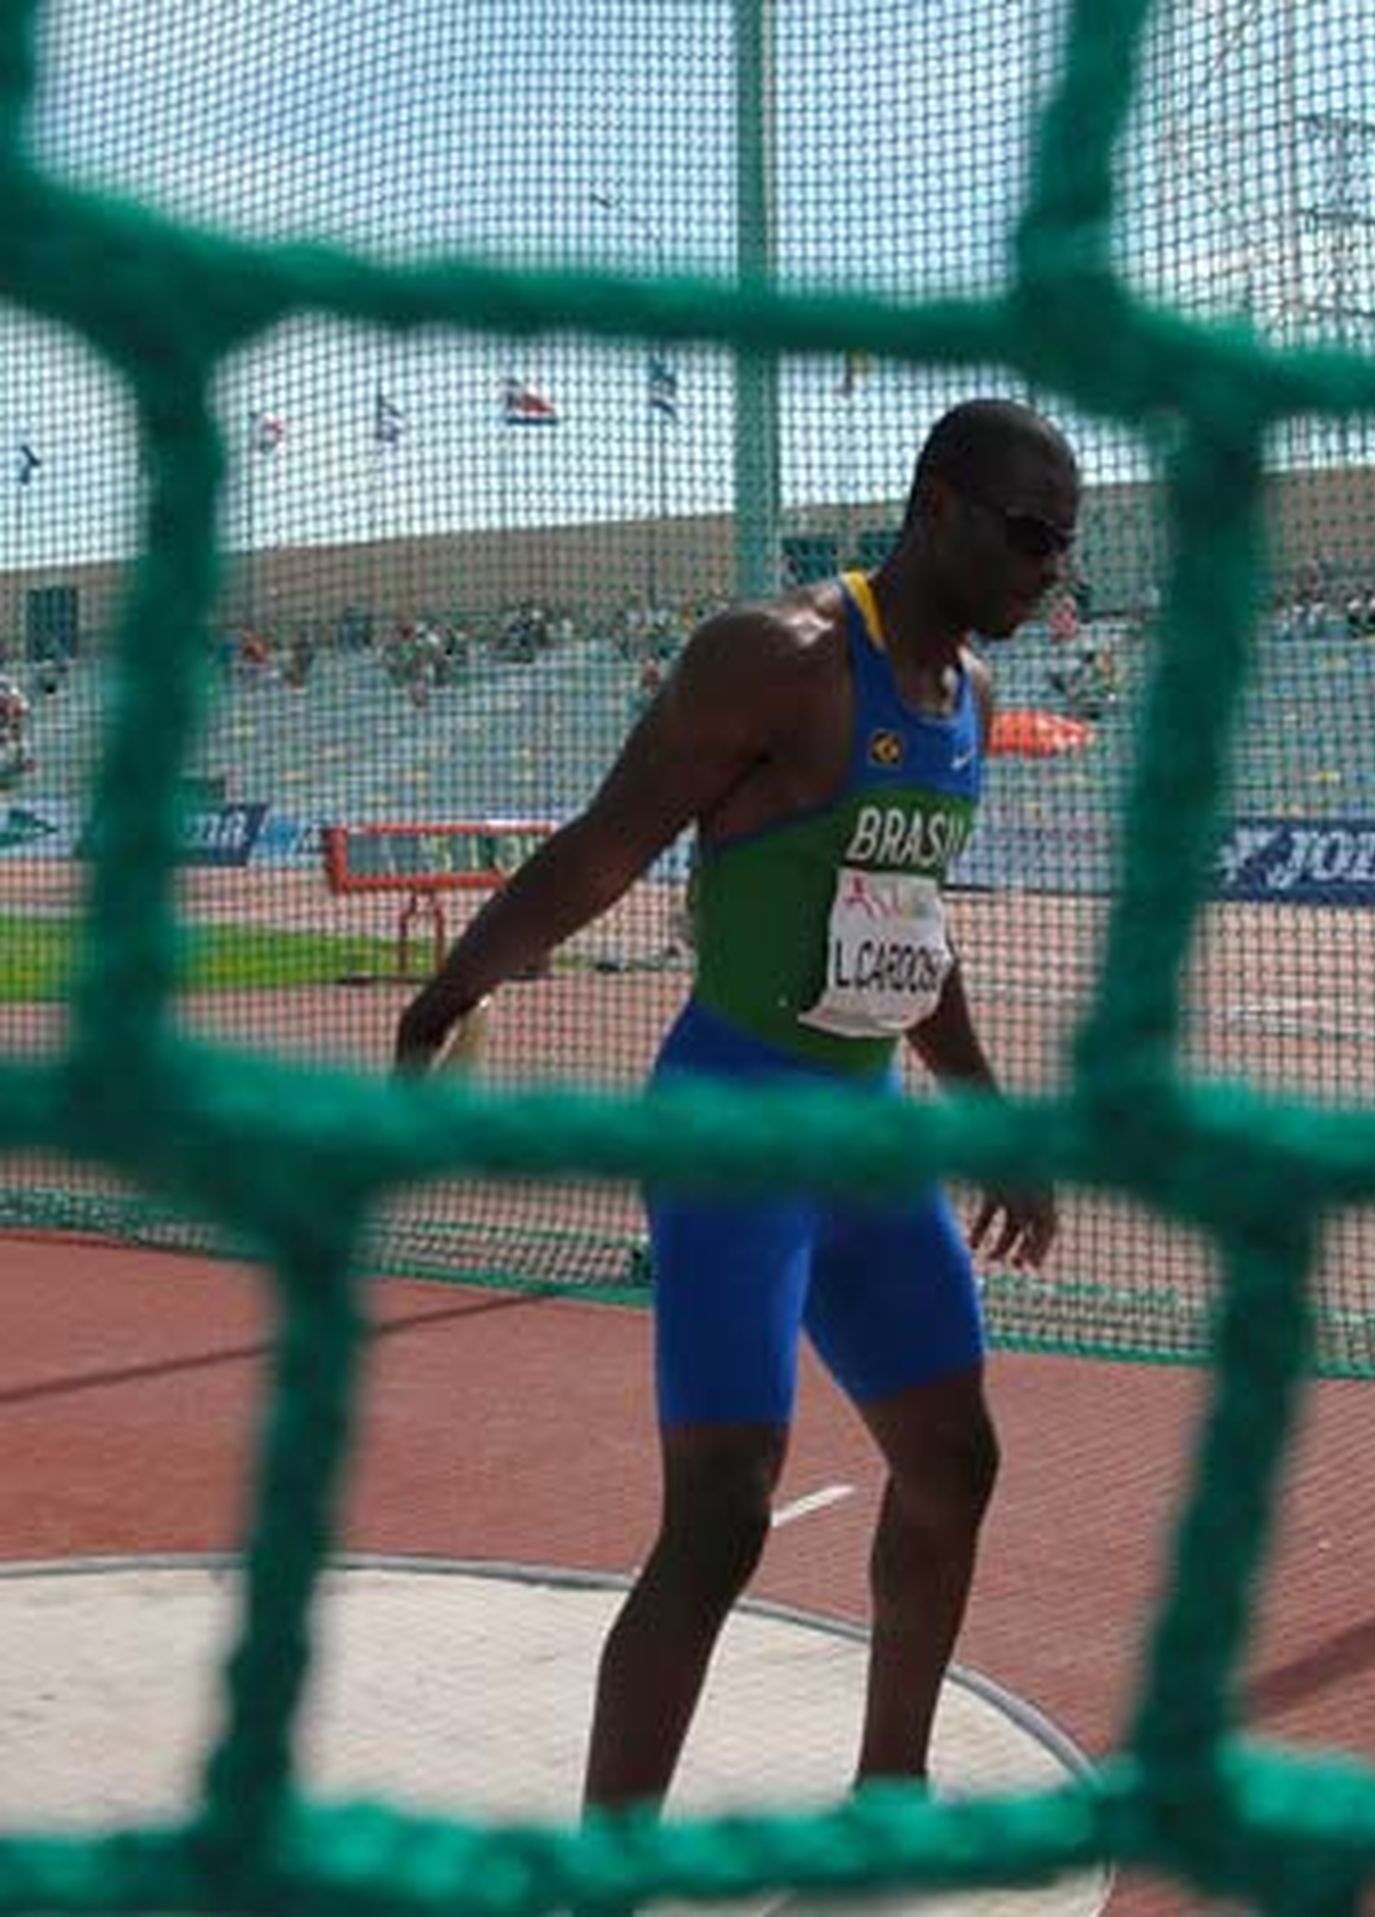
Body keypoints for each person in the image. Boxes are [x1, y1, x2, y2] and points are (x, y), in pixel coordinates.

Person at [394, 397, 1081, 1814]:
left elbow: (911, 934)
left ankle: (889, 1794)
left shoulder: (970, 706)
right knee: (718, 1519)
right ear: (937, 504)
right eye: (1028, 536)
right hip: (734, 1122)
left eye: (1062, 550)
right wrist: (448, 988)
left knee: (956, 1460)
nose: (1046, 572)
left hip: (871, 1133)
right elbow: (606, 844)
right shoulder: (782, 659)